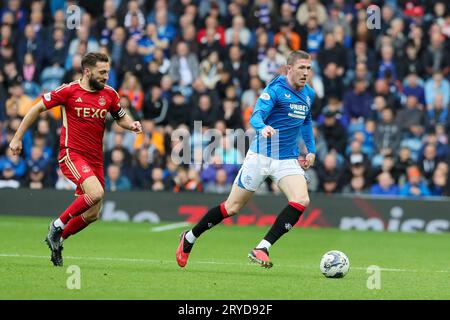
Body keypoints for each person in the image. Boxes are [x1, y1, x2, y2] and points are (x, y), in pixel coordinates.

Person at [176, 50, 316, 269]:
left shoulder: (309, 94)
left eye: (308, 68)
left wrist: (311, 149)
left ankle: (262, 247)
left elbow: (306, 122)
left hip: (286, 158)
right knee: (231, 207)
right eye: (301, 67)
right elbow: (255, 116)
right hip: (260, 157)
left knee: (301, 200)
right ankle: (190, 237)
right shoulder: (275, 90)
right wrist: (263, 127)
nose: (306, 73)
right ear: (289, 69)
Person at [9, 52, 142, 266]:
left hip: (95, 159)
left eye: (107, 72)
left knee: (92, 214)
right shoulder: (69, 91)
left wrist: (132, 124)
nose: (106, 76)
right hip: (72, 153)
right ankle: (57, 226)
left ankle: (58, 239)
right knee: (96, 192)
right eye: (102, 72)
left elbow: (120, 117)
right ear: (87, 71)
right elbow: (37, 108)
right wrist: (17, 138)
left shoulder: (109, 94)